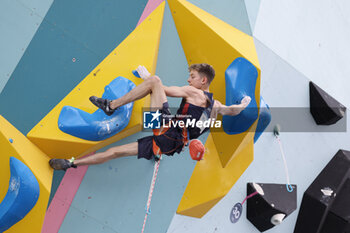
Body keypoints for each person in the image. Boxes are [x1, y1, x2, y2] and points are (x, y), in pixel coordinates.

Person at [49, 64, 251, 170]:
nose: (188, 80)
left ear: (203, 80)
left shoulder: (194, 92)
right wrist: (243, 104)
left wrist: (146, 76)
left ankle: (110, 105)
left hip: (165, 129)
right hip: (167, 144)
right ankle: (70, 164)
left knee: (154, 80)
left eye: (192, 77)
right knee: (115, 152)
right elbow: (233, 110)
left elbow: (162, 89)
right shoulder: (216, 107)